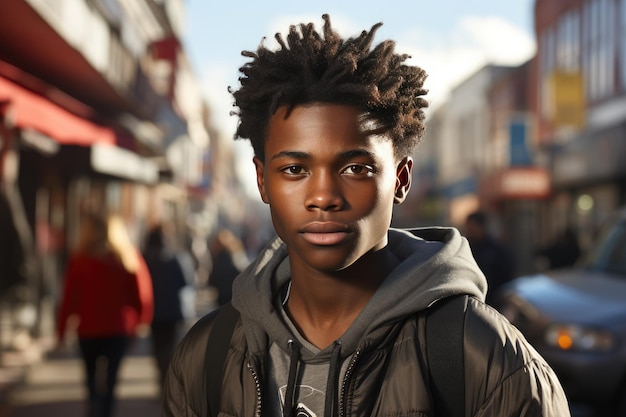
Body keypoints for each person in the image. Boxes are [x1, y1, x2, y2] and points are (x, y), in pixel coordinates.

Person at [163, 15, 570, 417]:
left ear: (401, 179)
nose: (323, 196)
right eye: (294, 169)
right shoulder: (206, 357)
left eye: (355, 168)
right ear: (262, 180)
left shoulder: (487, 362)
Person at [57, 213, 153, 417]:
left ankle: (94, 408)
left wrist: (61, 329)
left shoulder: (80, 260)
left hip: (88, 329)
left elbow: (69, 298)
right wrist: (141, 322)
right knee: (110, 381)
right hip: (117, 329)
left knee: (91, 378)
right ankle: (105, 411)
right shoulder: (127, 258)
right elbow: (142, 295)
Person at [143, 222, 196, 389]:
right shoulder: (177, 257)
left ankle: (162, 379)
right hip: (173, 310)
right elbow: (187, 281)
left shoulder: (144, 258)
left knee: (158, 347)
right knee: (171, 347)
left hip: (154, 311)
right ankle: (168, 381)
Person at [463, 210, 515, 305]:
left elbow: (506, 275)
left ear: (481, 226)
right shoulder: (465, 248)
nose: (469, 229)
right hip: (471, 300)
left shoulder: (496, 250)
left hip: (492, 301)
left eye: (472, 226)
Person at [207, 228, 250, 306]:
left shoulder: (218, 259)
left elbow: (213, 280)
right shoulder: (235, 255)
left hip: (223, 296)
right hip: (234, 294)